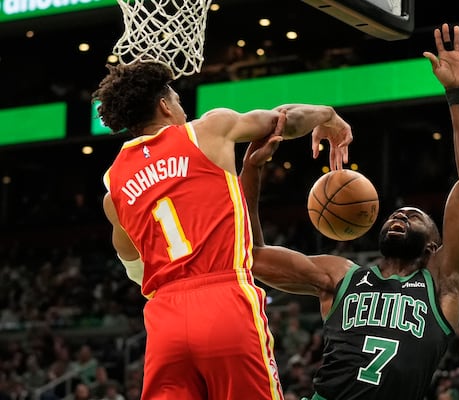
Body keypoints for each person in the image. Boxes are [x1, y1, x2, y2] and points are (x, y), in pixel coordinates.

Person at [241, 23, 459, 399]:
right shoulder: (340, 276)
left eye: (413, 215)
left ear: (434, 246)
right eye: (396, 214)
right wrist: (253, 171)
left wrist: (457, 94)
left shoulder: (443, 282)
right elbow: (251, 256)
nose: (400, 216)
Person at [92, 60, 353, 400]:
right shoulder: (207, 131)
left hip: (164, 319)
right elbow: (283, 121)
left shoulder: (114, 187)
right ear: (164, 105)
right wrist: (327, 115)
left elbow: (136, 270)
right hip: (224, 299)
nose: (183, 110)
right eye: (178, 101)